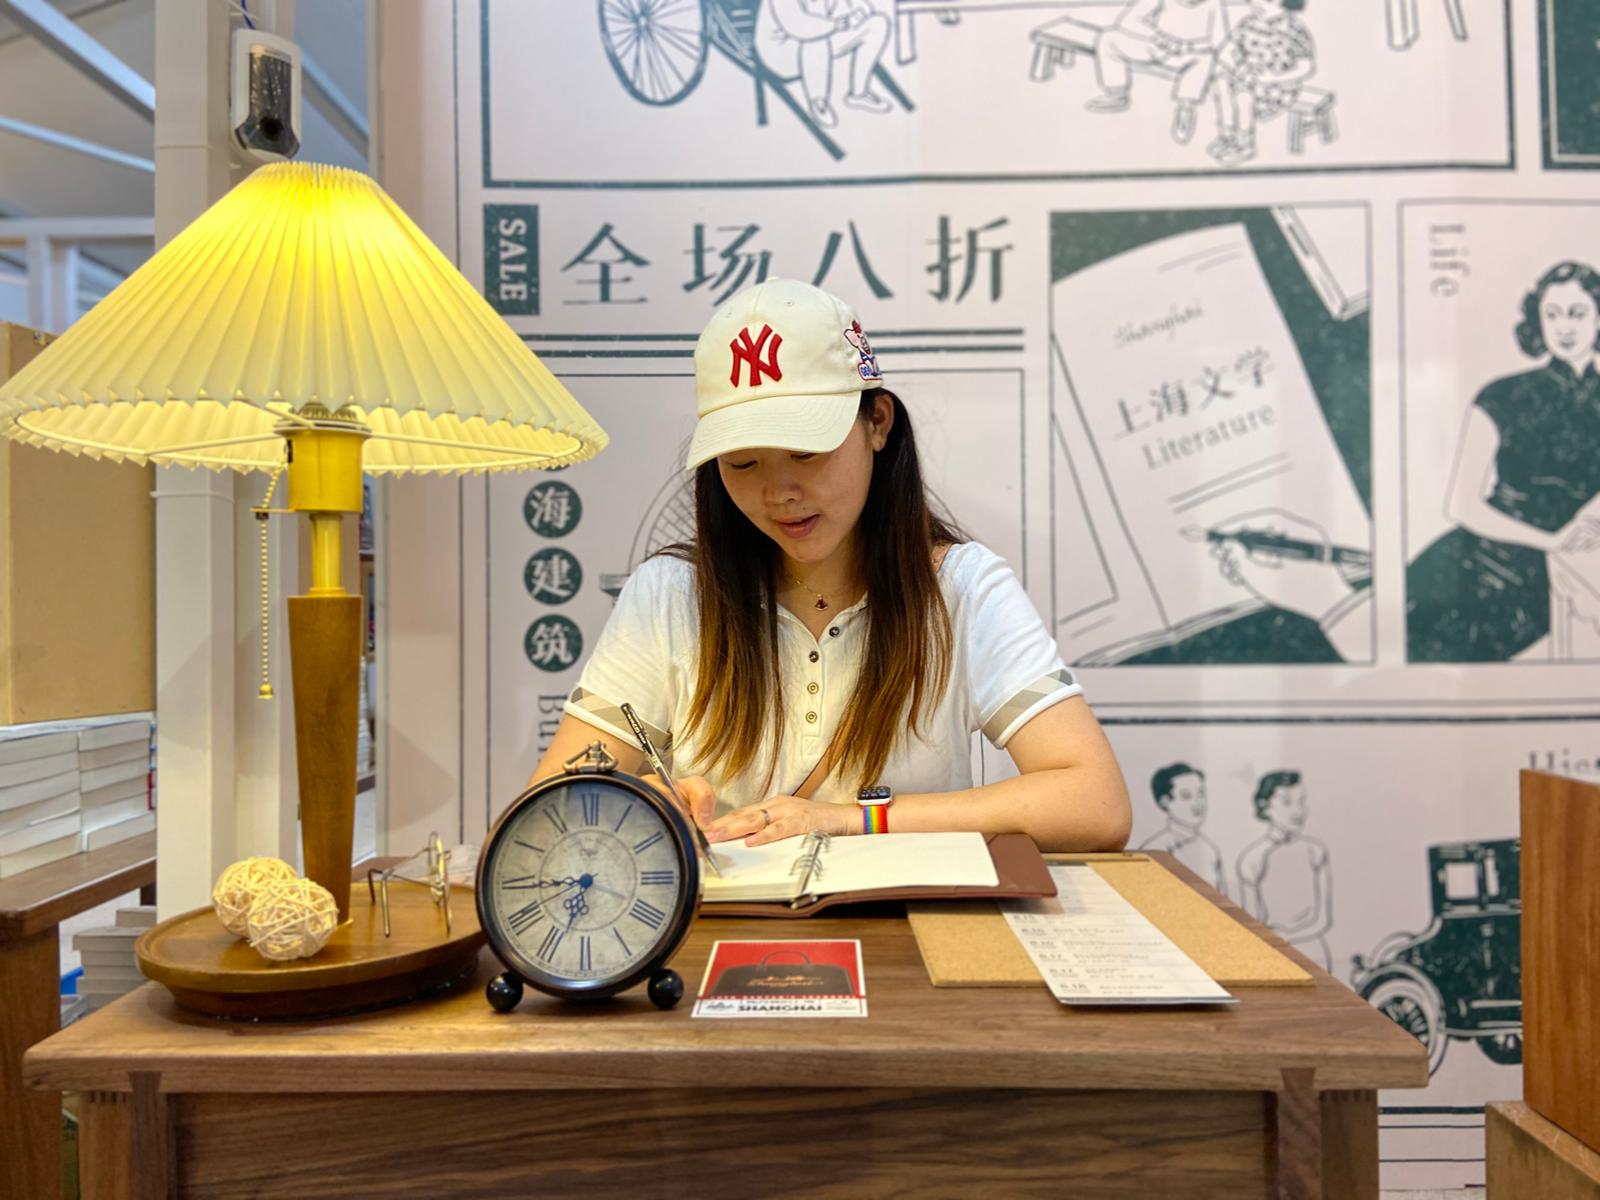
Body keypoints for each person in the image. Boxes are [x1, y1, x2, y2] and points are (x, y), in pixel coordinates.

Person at [530, 279, 1131, 853]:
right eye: (742, 463)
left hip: (909, 920)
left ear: (877, 423)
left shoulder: (962, 589)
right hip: (723, 921)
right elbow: (546, 814)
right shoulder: (670, 595)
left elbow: (1096, 803)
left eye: (805, 451)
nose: (779, 493)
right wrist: (644, 803)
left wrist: (853, 820)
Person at [1407, 261, 1600, 661]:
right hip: (1483, 550)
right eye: (1552, 314)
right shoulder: (1500, 394)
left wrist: (1575, 533)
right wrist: (1552, 541)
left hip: (1546, 572)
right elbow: (1462, 504)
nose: (1564, 327)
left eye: (1577, 314)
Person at [1086, 0, 1231, 146]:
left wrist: (1188, 46)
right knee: (1109, 38)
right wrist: (1157, 37)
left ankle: (1186, 108)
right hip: (1156, 46)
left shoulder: (1214, 3)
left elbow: (1219, 39)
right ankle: (1117, 94)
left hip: (1188, 55)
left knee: (1206, 58)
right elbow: (1129, 20)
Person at [1236, 770, 1332, 969]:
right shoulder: (1253, 859)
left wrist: (1288, 936)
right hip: (1272, 957)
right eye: (1287, 802)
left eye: (1301, 801)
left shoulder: (1315, 851)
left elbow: (1323, 919)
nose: (1298, 811)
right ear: (1265, 806)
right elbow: (1251, 925)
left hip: (1315, 954)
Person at [755, 0, 894, 130]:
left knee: (877, 24)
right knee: (814, 36)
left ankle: (859, 93)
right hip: (782, 53)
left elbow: (861, 4)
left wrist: (859, 13)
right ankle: (818, 102)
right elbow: (797, 26)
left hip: (820, 40)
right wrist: (836, 25)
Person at [1208, 0, 1316, 165]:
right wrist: (1234, 66)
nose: (1257, 3)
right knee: (1220, 81)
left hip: (1279, 87)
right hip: (1248, 75)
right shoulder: (1247, 23)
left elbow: (1306, 67)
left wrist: (1273, 78)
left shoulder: (1294, 29)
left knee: (1243, 92)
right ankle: (1228, 134)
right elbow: (1225, 50)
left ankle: (1245, 143)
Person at [1138, 762, 1226, 894]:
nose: (1197, 802)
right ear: (1165, 801)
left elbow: (1223, 900)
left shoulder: (1210, 850)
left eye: (1201, 793)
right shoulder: (1154, 850)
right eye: (1187, 796)